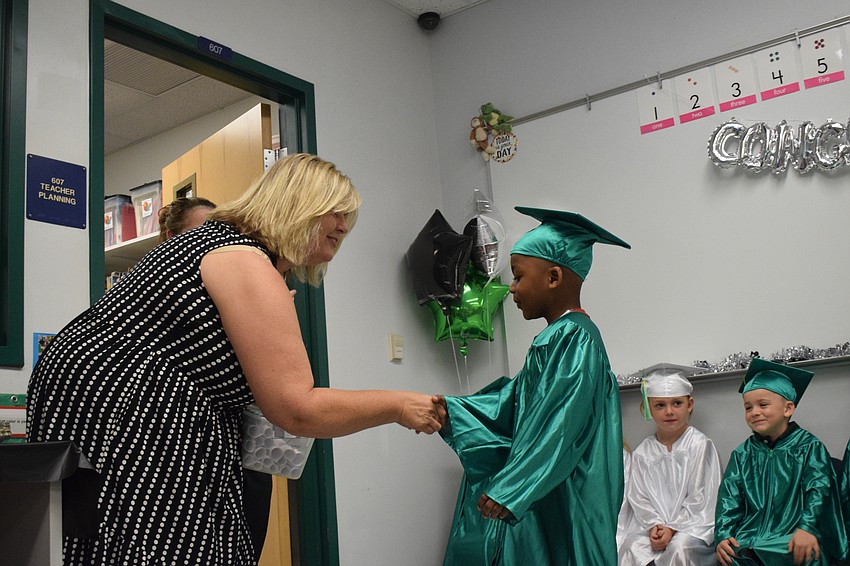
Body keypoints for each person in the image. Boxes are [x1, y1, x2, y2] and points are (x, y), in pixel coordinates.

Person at [27, 153, 446, 566]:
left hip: (95, 410)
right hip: (138, 420)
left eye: (348, 217)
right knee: (162, 546)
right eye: (335, 212)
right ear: (297, 204)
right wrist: (398, 404)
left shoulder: (211, 245)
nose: (343, 226)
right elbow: (296, 408)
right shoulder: (243, 260)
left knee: (100, 543)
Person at [438, 206, 630, 565]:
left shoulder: (575, 338)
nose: (510, 289)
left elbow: (561, 424)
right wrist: (454, 410)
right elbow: (516, 403)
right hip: (547, 489)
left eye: (518, 277)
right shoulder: (558, 336)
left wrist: (512, 487)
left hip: (567, 490)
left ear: (554, 277)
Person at [714, 358, 847, 566]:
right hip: (752, 531)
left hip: (795, 532)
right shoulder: (742, 454)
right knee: (732, 552)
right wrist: (723, 535)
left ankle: (755, 553)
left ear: (788, 409)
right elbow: (728, 498)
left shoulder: (809, 447)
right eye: (748, 407)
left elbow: (820, 489)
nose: (754, 412)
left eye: (763, 404)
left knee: (804, 551)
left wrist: (807, 528)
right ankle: (751, 553)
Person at [618, 364, 722, 566]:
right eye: (659, 405)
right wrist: (654, 525)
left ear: (689, 404)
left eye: (677, 403)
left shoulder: (700, 445)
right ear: (648, 408)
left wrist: (673, 528)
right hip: (653, 528)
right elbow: (638, 498)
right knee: (631, 547)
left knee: (679, 548)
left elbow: (701, 498)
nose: (669, 412)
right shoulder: (642, 453)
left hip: (692, 528)